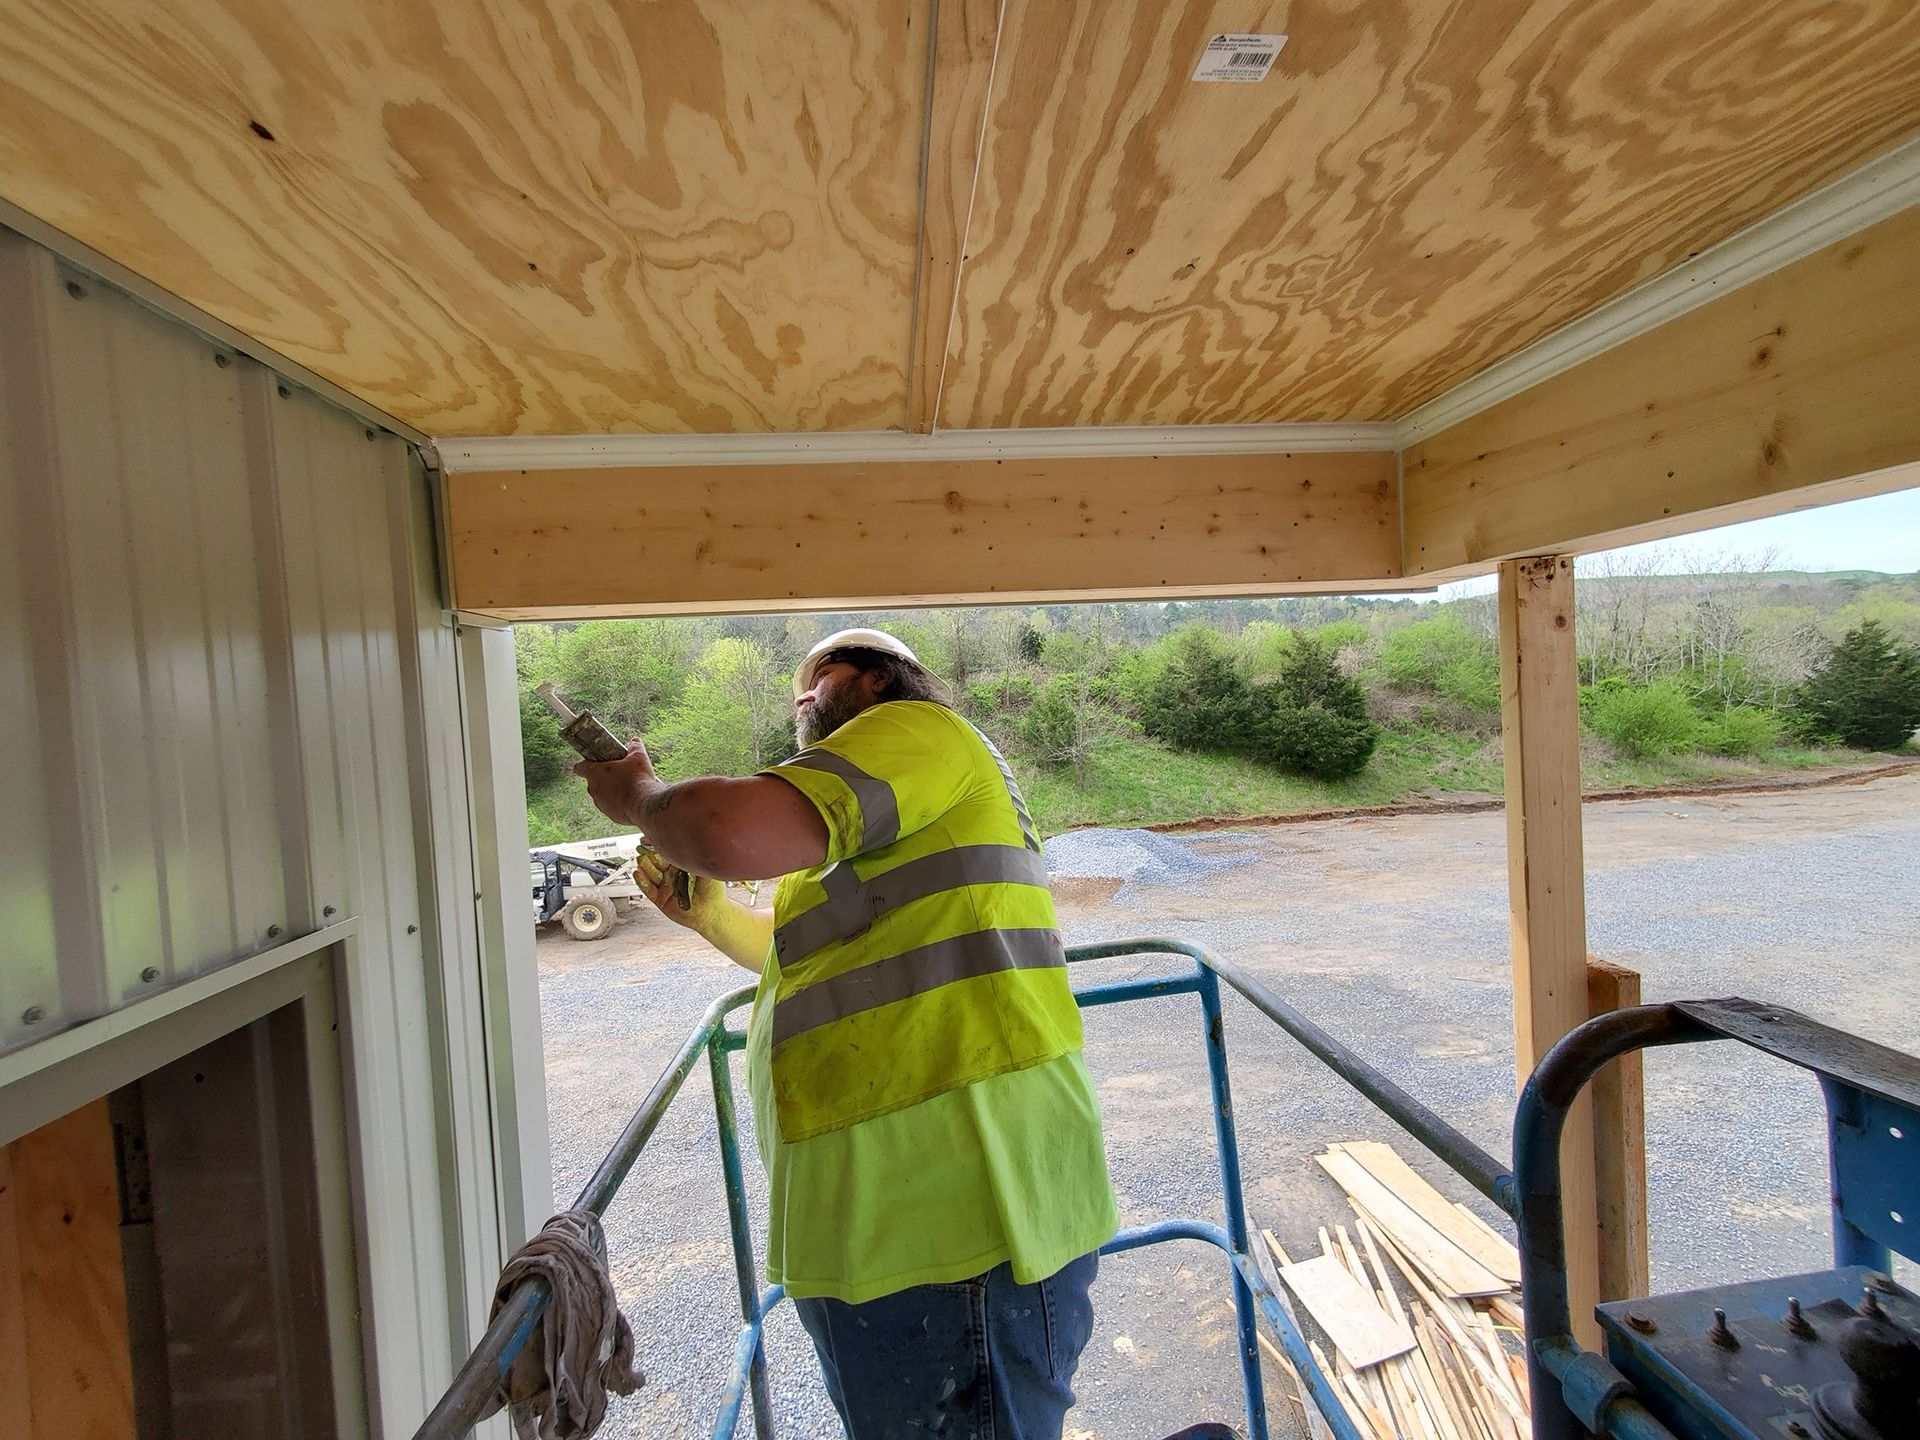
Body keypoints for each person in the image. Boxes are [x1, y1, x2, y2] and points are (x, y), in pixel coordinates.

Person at [573, 627, 1117, 1440]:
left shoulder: (922, 730)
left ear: (877, 682)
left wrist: (637, 796)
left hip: (961, 1214)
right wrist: (711, 914)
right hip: (878, 1230)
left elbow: (725, 828)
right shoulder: (866, 828)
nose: (799, 693)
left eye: (818, 674)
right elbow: (800, 956)